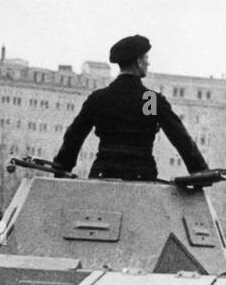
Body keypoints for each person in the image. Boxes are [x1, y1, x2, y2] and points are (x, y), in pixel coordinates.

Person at [52, 35, 209, 181]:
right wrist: (199, 170)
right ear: (139, 61)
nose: (148, 63)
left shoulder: (100, 98)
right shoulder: (149, 100)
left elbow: (75, 135)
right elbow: (178, 136)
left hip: (103, 173)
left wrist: (62, 166)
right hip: (140, 175)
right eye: (146, 58)